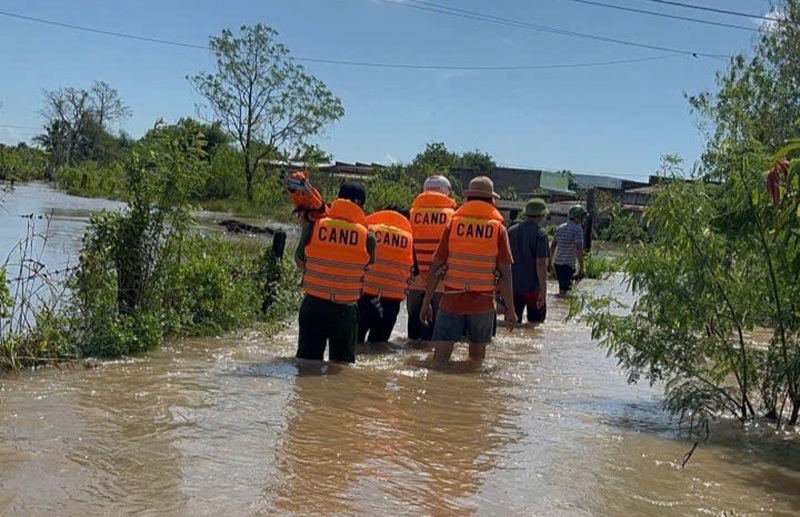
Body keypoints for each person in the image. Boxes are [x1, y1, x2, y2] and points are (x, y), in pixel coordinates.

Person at [420, 176, 517, 366]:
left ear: (468, 198)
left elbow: (436, 267)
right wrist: (510, 310)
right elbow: (505, 273)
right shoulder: (499, 229)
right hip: (482, 303)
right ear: (491, 200)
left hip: (451, 300)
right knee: (475, 363)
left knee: (439, 361)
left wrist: (426, 301)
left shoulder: (453, 225)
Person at [294, 182, 376, 363]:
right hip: (344, 312)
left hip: (313, 306)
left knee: (306, 366)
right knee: (342, 371)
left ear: (337, 199)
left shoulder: (314, 226)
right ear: (361, 206)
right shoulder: (367, 236)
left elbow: (300, 260)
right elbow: (367, 264)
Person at [407, 175, 457, 342]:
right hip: (441, 283)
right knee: (435, 336)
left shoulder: (411, 214)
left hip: (414, 281)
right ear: (447, 192)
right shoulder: (453, 217)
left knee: (413, 336)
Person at [357, 206, 415, 345]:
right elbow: (415, 271)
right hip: (390, 303)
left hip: (363, 299)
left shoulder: (368, 231)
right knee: (378, 348)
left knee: (355, 345)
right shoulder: (408, 240)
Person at [507, 198, 550, 324]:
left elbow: (504, 260)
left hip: (513, 287)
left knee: (512, 323)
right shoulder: (541, 234)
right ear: (542, 215)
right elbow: (541, 264)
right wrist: (543, 289)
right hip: (533, 288)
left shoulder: (510, 231)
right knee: (535, 325)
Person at [550, 204, 587, 296]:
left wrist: (549, 262)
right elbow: (579, 249)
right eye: (582, 217)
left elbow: (553, 245)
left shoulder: (560, 227)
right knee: (564, 293)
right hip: (568, 265)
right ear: (577, 217)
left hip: (557, 264)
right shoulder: (578, 230)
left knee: (562, 289)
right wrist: (581, 268)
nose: (584, 220)